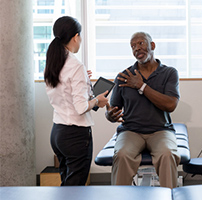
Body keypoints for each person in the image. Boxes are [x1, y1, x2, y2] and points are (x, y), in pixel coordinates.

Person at [105, 32, 181, 188]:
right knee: (122, 155)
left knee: (167, 155)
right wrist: (110, 115)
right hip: (131, 131)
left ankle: (170, 196)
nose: (137, 48)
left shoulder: (169, 73)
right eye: (133, 46)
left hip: (160, 130)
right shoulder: (123, 77)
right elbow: (113, 109)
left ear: (152, 45)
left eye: (141, 43)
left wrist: (141, 86)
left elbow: (171, 105)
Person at [44, 16, 108, 186]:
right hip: (75, 135)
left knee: (67, 184)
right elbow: (80, 108)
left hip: (58, 132)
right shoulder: (75, 65)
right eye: (80, 37)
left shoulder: (53, 63)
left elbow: (63, 92)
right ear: (75, 37)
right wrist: (97, 100)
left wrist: (83, 80)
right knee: (75, 188)